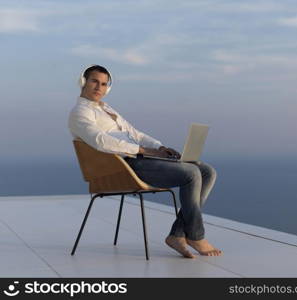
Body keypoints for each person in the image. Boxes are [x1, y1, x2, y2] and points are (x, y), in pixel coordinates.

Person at [68, 65, 222, 258]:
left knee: (207, 171)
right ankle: (196, 235)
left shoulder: (107, 109)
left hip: (141, 159)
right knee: (191, 174)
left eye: (104, 84)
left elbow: (135, 134)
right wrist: (141, 150)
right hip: (125, 167)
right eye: (94, 81)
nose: (99, 87)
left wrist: (159, 148)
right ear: (83, 82)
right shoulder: (80, 112)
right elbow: (100, 141)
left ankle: (178, 235)